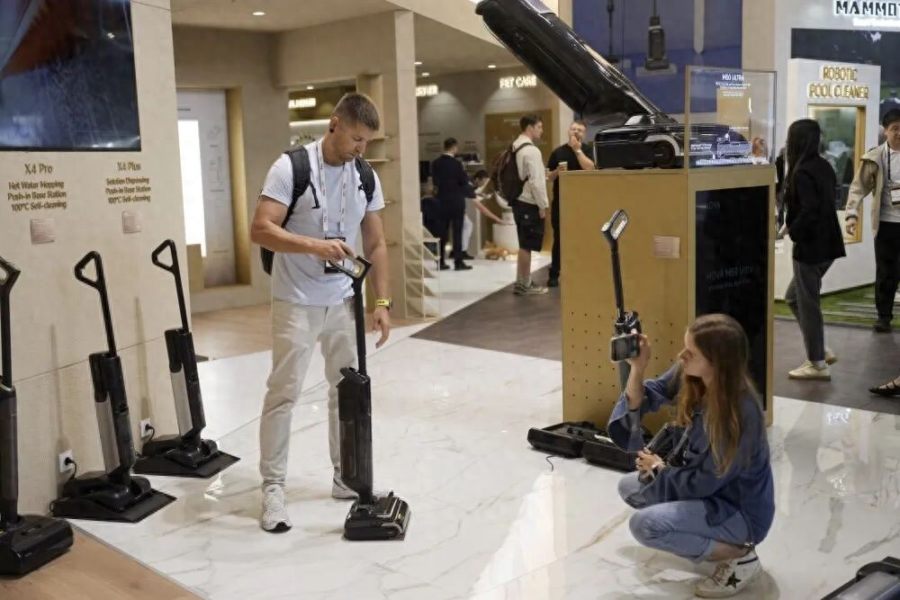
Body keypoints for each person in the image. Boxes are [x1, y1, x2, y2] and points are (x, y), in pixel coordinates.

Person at [250, 93, 392, 533]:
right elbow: (260, 229)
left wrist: (382, 302)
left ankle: (345, 477)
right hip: (295, 299)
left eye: (367, 142)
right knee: (284, 393)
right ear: (334, 124)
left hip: (344, 299)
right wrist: (315, 246)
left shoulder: (364, 174)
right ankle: (273, 489)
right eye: (355, 138)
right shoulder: (290, 168)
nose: (360, 149)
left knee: (344, 391)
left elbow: (376, 243)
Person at [608, 314, 774, 598]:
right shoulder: (694, 373)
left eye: (691, 352)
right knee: (630, 488)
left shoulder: (739, 414)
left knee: (645, 526)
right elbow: (648, 396)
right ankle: (703, 535)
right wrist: (637, 367)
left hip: (737, 510)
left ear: (716, 362)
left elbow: (705, 482)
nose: (681, 356)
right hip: (706, 489)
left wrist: (660, 469)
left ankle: (739, 556)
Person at [783, 119, 845, 380]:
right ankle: (819, 349)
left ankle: (817, 363)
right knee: (793, 298)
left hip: (811, 248)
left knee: (808, 304)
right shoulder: (824, 166)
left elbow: (809, 210)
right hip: (829, 244)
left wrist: (792, 229)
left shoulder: (801, 172)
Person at [845, 108, 900, 333]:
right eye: (895, 129)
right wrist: (852, 214)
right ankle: (883, 317)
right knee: (886, 272)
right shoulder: (876, 157)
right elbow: (858, 187)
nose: (899, 133)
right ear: (885, 131)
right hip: (886, 224)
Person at [546, 120, 595, 287]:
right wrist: (556, 172)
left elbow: (591, 169)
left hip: (583, 203)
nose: (576, 132)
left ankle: (583, 272)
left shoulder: (588, 150)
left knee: (584, 238)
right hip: (561, 204)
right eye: (573, 129)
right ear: (568, 131)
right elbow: (548, 177)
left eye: (580, 130)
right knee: (559, 239)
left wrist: (577, 150)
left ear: (584, 134)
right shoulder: (558, 152)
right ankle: (554, 273)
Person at [511, 114, 551, 295]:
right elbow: (536, 182)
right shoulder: (532, 151)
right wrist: (543, 206)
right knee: (527, 245)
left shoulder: (515, 146)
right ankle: (525, 284)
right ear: (530, 127)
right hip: (529, 202)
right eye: (539, 127)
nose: (541, 130)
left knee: (523, 244)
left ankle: (521, 282)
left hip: (519, 201)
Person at [431, 137, 473, 271]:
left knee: (442, 232)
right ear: (454, 147)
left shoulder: (435, 163)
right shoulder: (457, 164)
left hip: (441, 201)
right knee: (457, 232)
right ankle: (458, 261)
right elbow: (463, 181)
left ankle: (441, 261)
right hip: (456, 201)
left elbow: (435, 182)